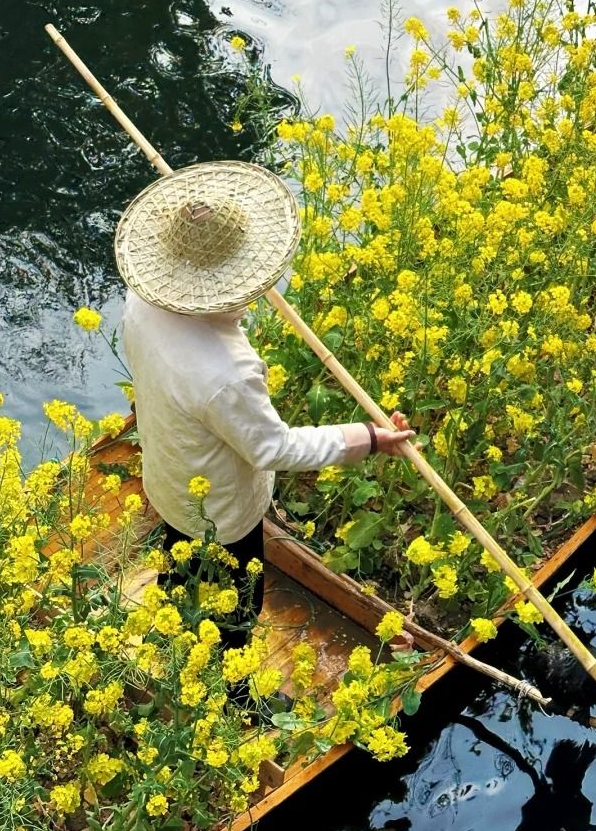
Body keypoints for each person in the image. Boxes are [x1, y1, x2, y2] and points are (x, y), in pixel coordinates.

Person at [115, 158, 413, 632]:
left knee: (180, 555)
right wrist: (370, 438)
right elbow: (273, 448)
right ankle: (229, 670)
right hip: (220, 509)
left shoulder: (142, 300)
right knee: (235, 610)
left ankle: (173, 617)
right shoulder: (226, 372)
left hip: (167, 476)